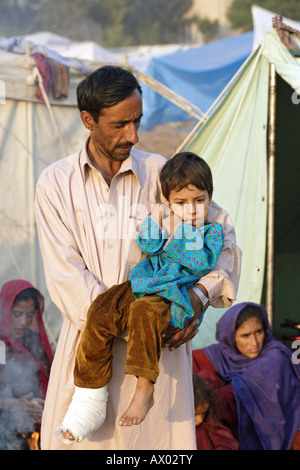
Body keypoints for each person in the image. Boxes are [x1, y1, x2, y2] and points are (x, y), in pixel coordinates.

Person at [34, 65, 242, 450]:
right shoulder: (55, 183)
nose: (133, 134)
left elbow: (224, 233)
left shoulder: (160, 171)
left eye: (137, 121)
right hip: (91, 349)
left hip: (162, 358)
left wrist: (198, 297)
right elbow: (67, 277)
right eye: (119, 125)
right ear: (88, 120)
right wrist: (137, 326)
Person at [56, 152, 224, 444]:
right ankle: (90, 394)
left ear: (210, 197)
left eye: (200, 200)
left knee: (144, 314)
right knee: (100, 309)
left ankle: (145, 387)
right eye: (182, 203)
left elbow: (201, 263)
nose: (192, 209)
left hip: (170, 293)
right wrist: (156, 224)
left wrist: (179, 231)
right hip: (142, 282)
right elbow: (147, 242)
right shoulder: (164, 217)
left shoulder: (211, 231)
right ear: (169, 201)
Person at [193, 302, 300, 450]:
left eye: (258, 332)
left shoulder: (275, 357)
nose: (254, 342)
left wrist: (204, 395)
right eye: (245, 336)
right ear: (230, 337)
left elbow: (226, 399)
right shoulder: (219, 355)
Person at [0, 280, 53, 450]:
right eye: (16, 314)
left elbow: (48, 380)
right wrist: (16, 404)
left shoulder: (34, 341)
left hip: (32, 428)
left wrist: (42, 402)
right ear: (5, 309)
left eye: (29, 315)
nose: (24, 322)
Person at [193, 372, 239, 450]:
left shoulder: (209, 420)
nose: (200, 420)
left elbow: (228, 444)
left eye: (203, 413)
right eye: (195, 415)